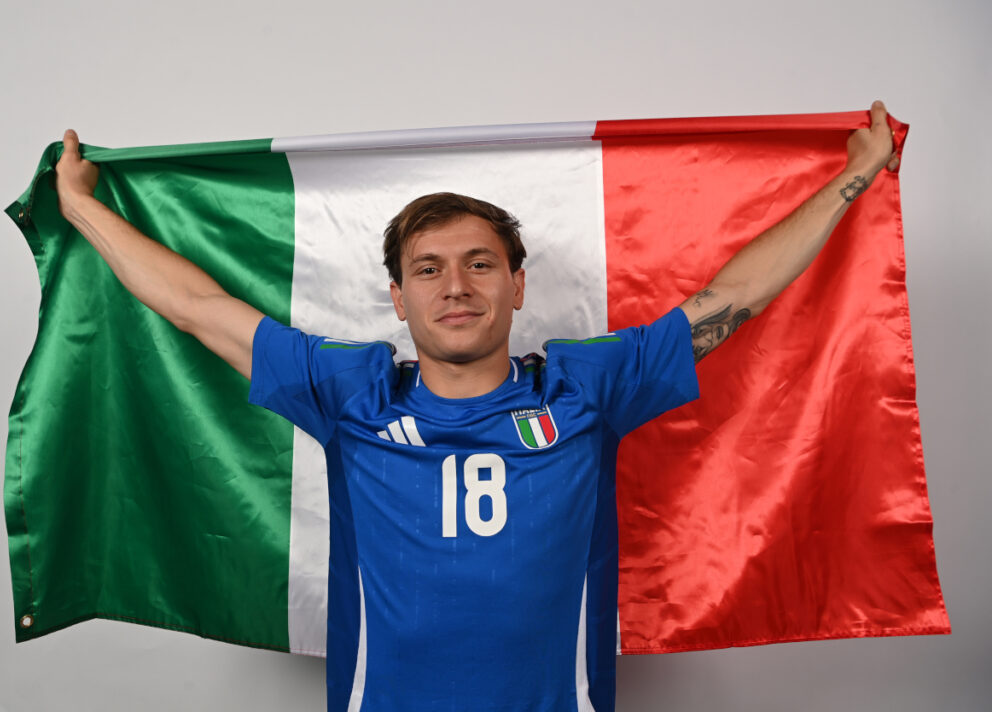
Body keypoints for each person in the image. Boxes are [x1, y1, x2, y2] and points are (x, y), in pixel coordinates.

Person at [53, 102, 899, 712]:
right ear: (397, 297)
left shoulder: (585, 387)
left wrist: (854, 179)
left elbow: (734, 297)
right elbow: (198, 306)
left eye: (479, 264)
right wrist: (83, 208)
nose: (455, 287)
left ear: (518, 283)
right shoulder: (352, 393)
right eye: (428, 269)